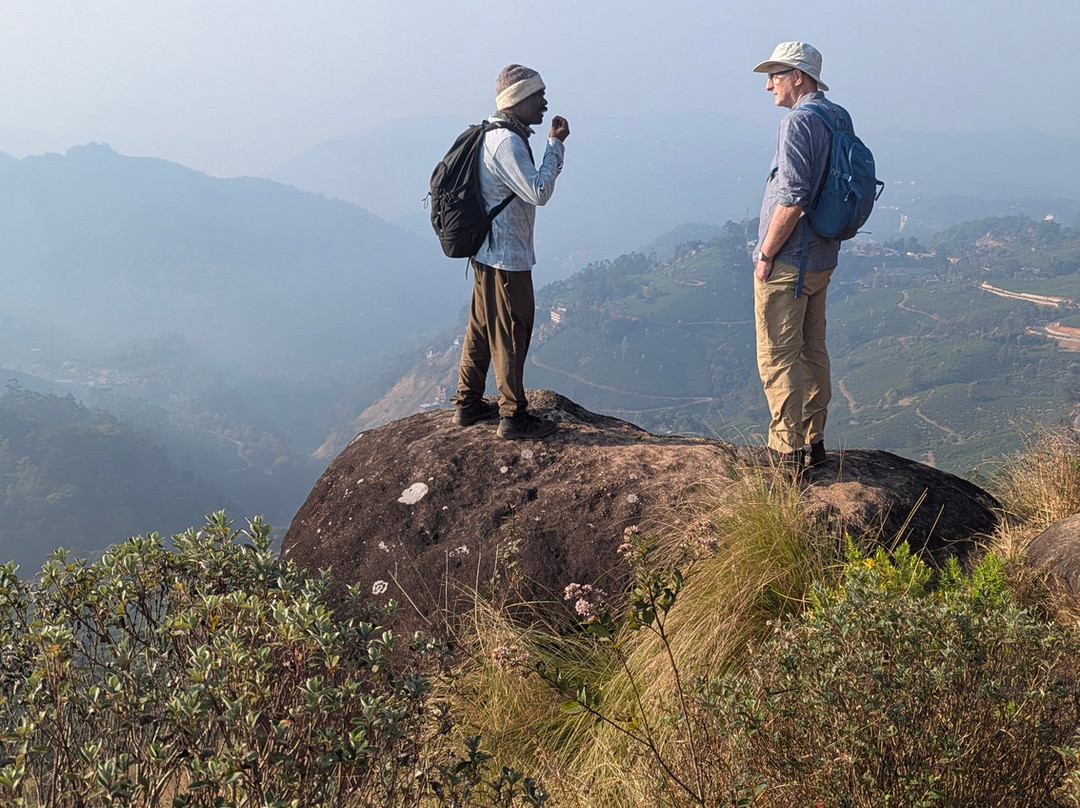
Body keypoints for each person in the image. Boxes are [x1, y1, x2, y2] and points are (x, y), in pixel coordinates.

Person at [451, 64, 570, 440]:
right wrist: (556, 147)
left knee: (483, 328)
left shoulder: (496, 135)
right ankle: (513, 416)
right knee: (513, 332)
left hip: (489, 254)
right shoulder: (506, 142)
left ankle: (468, 404)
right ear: (518, 100)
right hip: (506, 257)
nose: (545, 102)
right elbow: (538, 192)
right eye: (538, 95)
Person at [751, 41, 852, 471]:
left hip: (790, 259)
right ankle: (815, 441)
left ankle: (784, 450)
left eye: (776, 74)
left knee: (779, 353)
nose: (769, 84)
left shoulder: (797, 123)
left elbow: (792, 198)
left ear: (799, 77)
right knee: (813, 348)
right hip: (823, 256)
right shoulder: (838, 116)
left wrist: (766, 253)